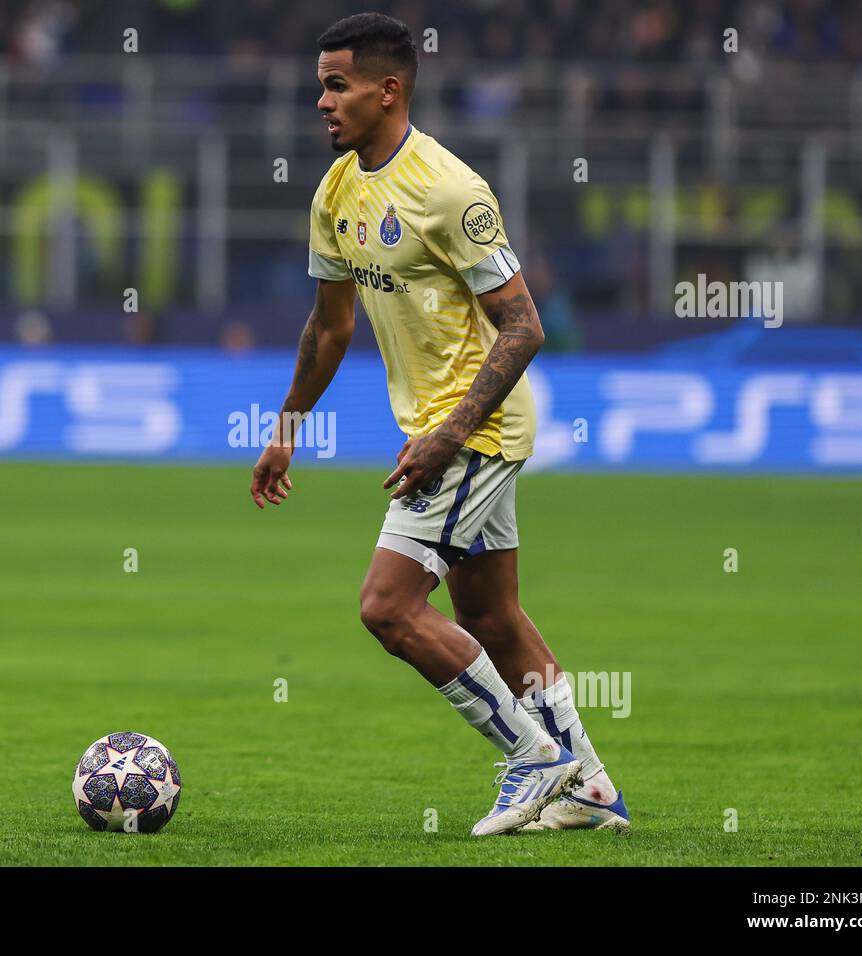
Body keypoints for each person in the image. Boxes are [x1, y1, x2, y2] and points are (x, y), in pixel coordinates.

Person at [249, 13, 628, 835]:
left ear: (389, 90)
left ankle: (532, 758)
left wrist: (450, 434)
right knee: (490, 616)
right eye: (320, 84)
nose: (322, 101)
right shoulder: (337, 190)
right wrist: (287, 427)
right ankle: (592, 790)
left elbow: (522, 325)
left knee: (387, 607)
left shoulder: (453, 191)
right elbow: (330, 328)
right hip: (437, 429)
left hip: (474, 430)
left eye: (337, 84)